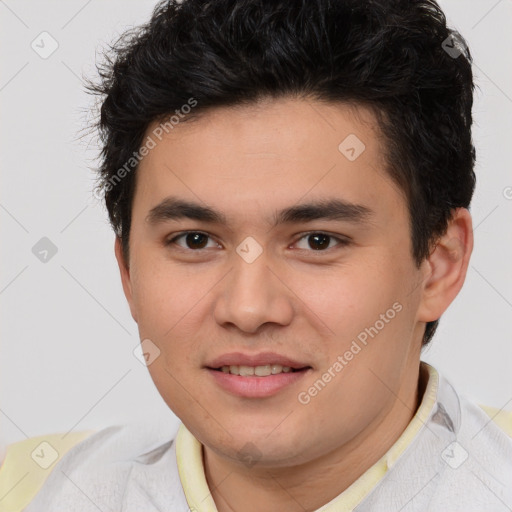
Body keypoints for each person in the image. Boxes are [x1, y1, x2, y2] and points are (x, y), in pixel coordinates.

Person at [1, 0, 511, 510]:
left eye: (318, 241)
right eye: (194, 240)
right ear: (128, 272)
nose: (247, 310)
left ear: (440, 264)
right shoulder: (30, 491)